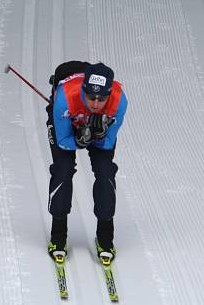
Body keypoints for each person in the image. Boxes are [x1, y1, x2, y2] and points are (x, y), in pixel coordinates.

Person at [45, 61, 128, 265]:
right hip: (67, 124)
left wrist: (97, 134)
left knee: (105, 171)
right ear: (84, 89)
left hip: (92, 129)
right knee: (63, 170)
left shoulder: (119, 102)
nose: (96, 103)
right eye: (91, 96)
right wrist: (80, 139)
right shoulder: (66, 98)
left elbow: (108, 144)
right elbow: (64, 142)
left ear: (110, 94)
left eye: (102, 98)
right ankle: (58, 236)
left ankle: (105, 238)